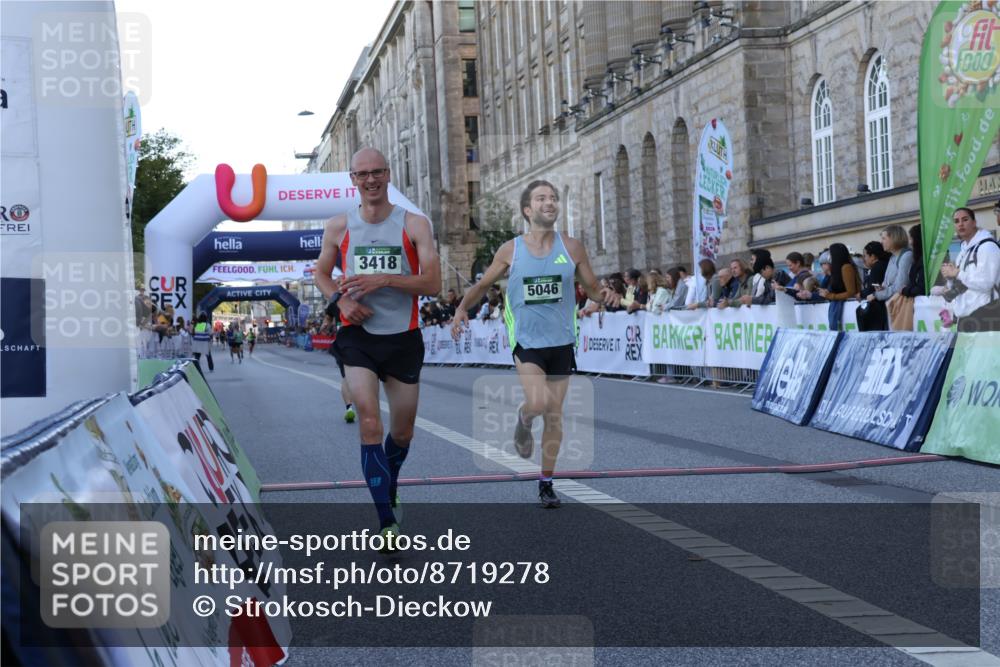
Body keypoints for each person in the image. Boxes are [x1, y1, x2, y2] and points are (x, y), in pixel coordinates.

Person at [451, 180, 606, 508]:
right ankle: (523, 422)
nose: (549, 202)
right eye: (541, 198)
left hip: (562, 340)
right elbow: (482, 285)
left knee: (554, 415)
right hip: (527, 340)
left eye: (552, 198)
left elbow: (592, 288)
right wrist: (462, 309)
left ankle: (546, 482)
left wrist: (605, 294)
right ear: (527, 209)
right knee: (537, 403)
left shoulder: (572, 247)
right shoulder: (511, 250)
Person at [314, 147, 441, 547]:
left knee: (402, 434)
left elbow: (432, 284)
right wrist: (341, 301)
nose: (370, 180)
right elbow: (320, 273)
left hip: (403, 338)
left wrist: (385, 280)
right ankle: (386, 522)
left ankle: (390, 483)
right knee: (370, 422)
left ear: (388, 175)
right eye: (361, 174)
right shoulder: (338, 226)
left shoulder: (416, 224)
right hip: (358, 337)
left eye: (377, 173)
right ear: (352, 179)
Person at [939, 206, 1000, 331]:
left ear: (974, 222)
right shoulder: (964, 249)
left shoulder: (987, 247)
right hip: (966, 318)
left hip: (986, 315)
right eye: (956, 221)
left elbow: (986, 283)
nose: (960, 224)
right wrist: (950, 279)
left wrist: (957, 273)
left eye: (965, 219)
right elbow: (963, 283)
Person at [867, 224, 912, 329]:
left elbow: (899, 287)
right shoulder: (892, 257)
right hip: (891, 306)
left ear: (894, 238)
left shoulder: (906, 256)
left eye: (884, 238)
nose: (881, 242)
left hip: (900, 308)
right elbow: (887, 283)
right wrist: (881, 289)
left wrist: (877, 295)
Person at [818, 243, 861, 330]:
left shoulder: (846, 267)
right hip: (838, 305)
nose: (829, 256)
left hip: (846, 307)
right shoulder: (838, 268)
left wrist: (830, 296)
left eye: (830, 253)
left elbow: (850, 292)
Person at [857, 240, 891, 331]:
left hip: (879, 309)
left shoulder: (877, 267)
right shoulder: (887, 263)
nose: (864, 259)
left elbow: (872, 289)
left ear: (872, 256)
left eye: (865, 256)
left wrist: (860, 294)